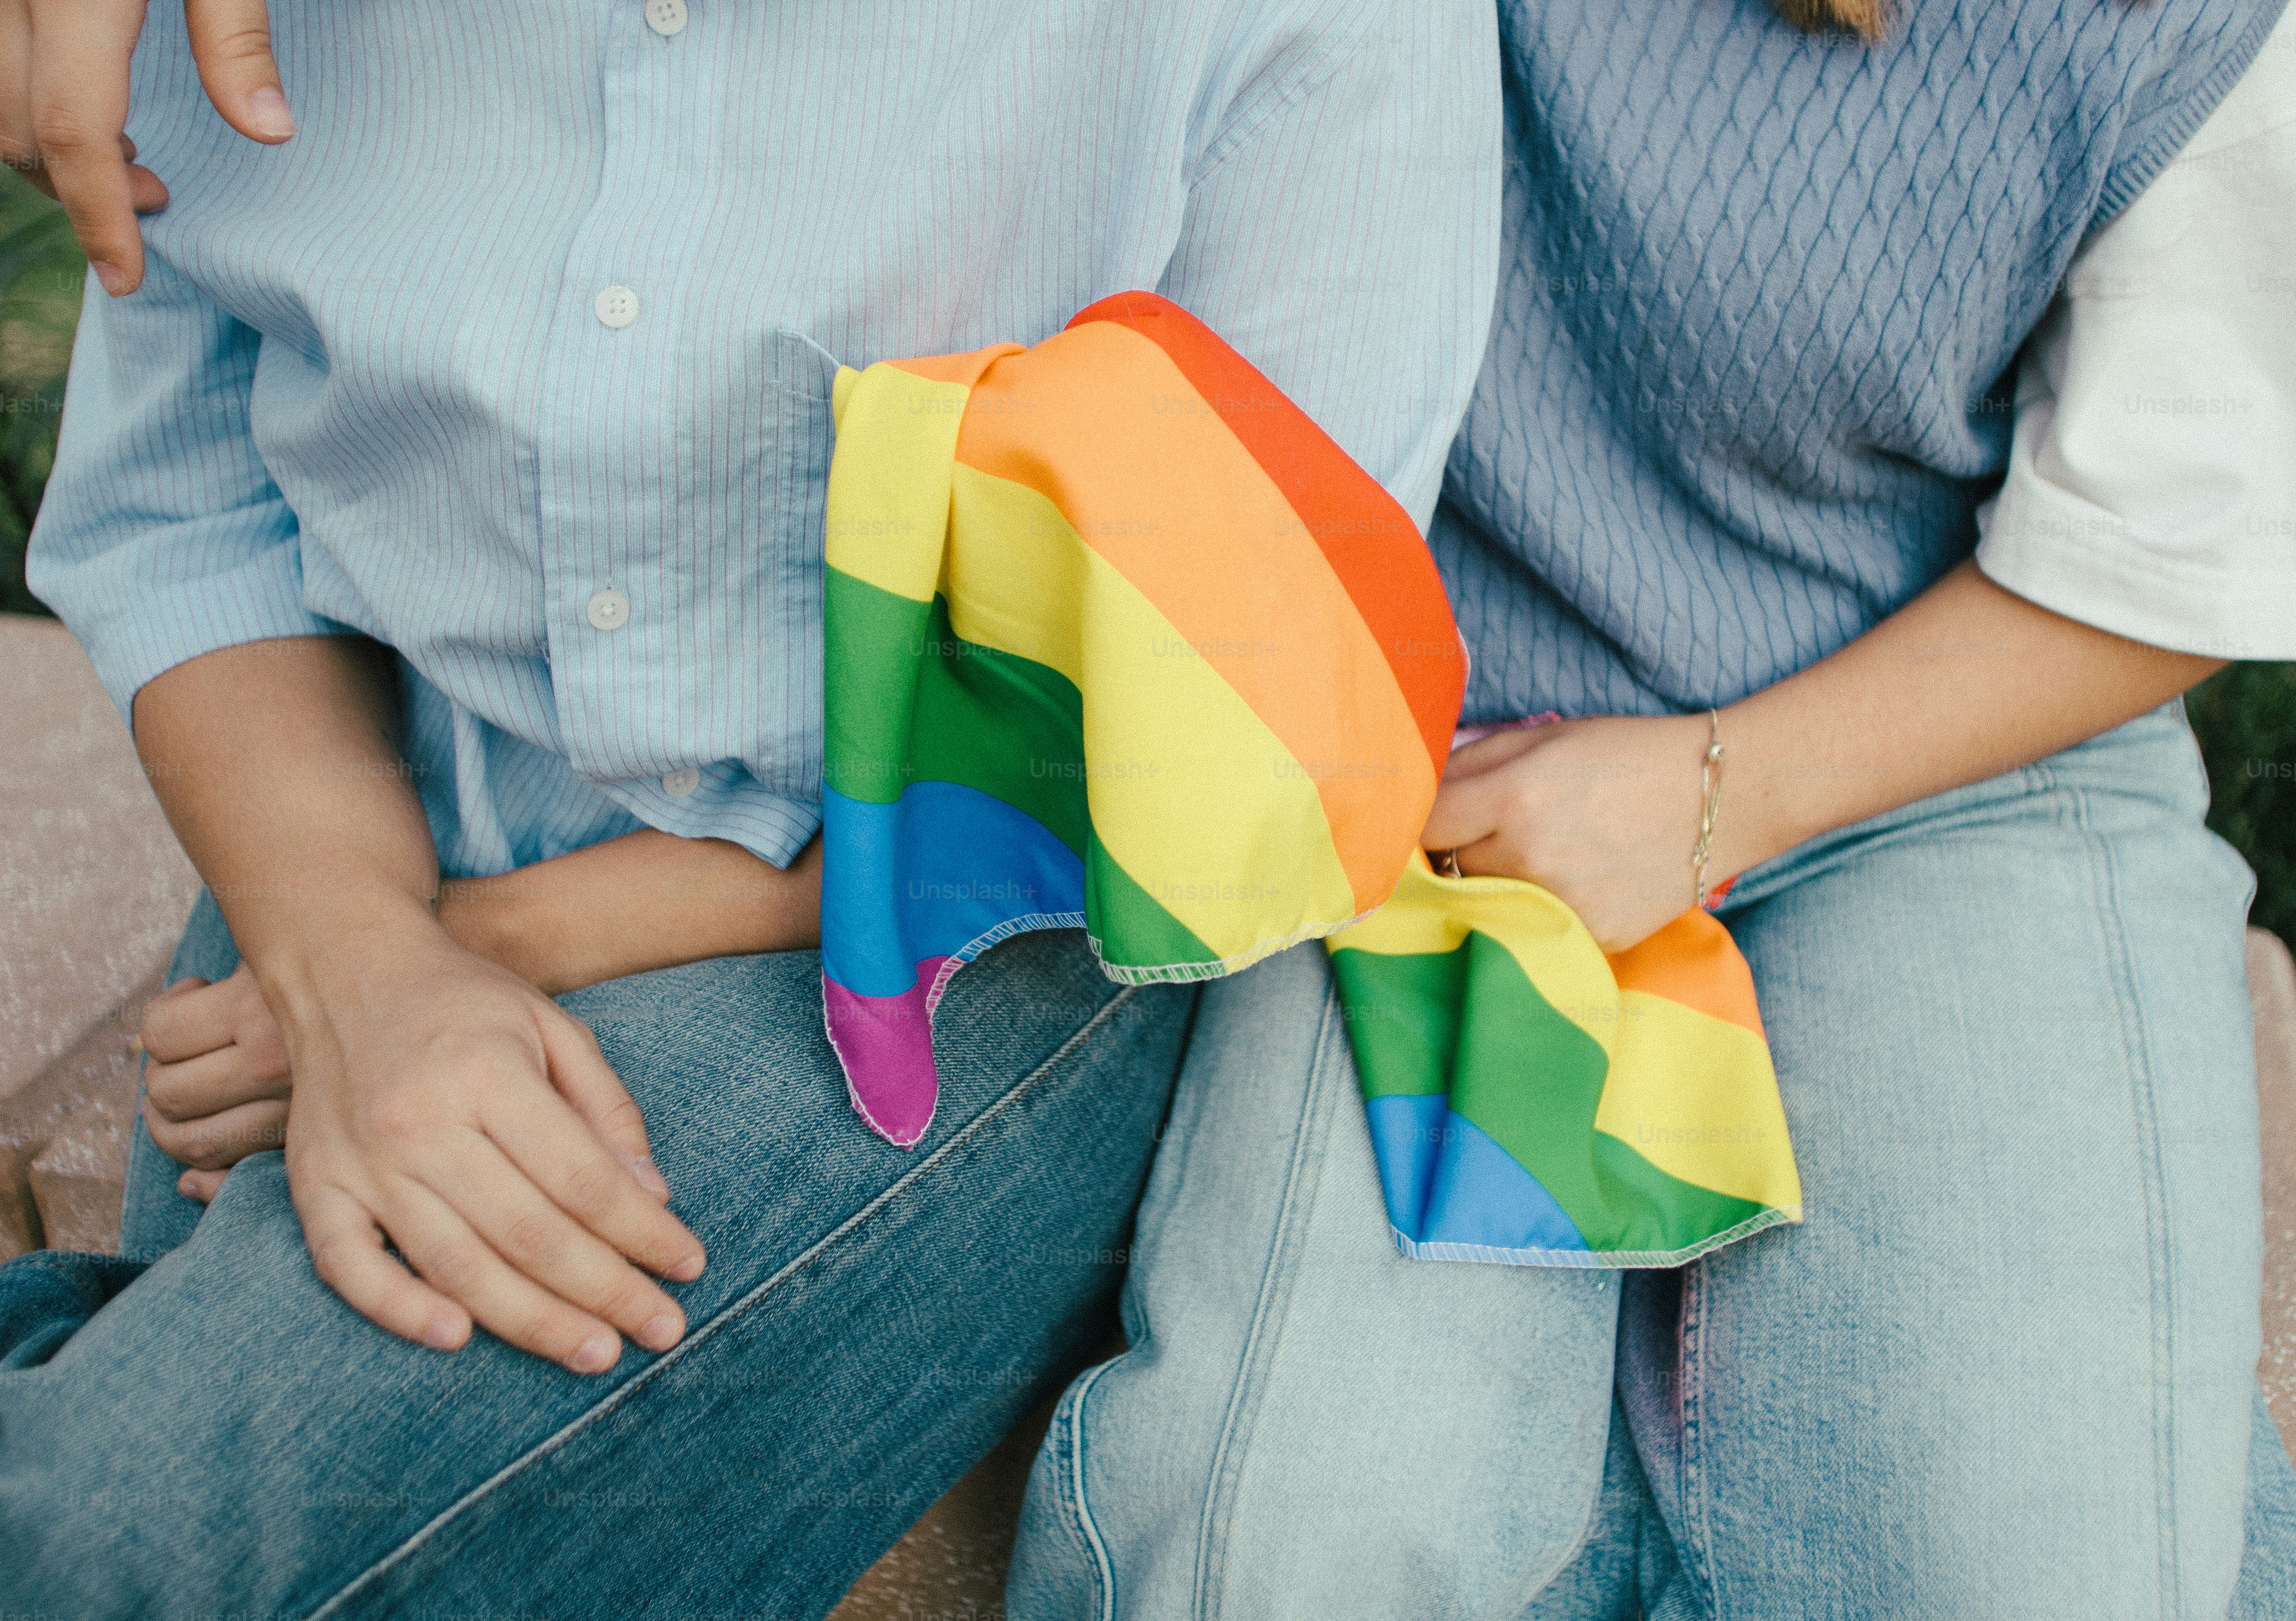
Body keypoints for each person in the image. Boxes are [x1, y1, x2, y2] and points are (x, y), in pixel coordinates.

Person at [0, 1, 1500, 1614]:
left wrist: (444, 959)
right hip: (355, 807)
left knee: (113, 1527)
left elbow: (1229, 711)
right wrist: (352, 947)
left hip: (942, 937)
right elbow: (182, 502)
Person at [1002, 0, 2296, 1612]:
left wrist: (1718, 789)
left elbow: (2186, 548)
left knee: (2038, 1569)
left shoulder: (2200, 30)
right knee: (1277, 1545)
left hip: (1952, 759)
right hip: (1426, 762)